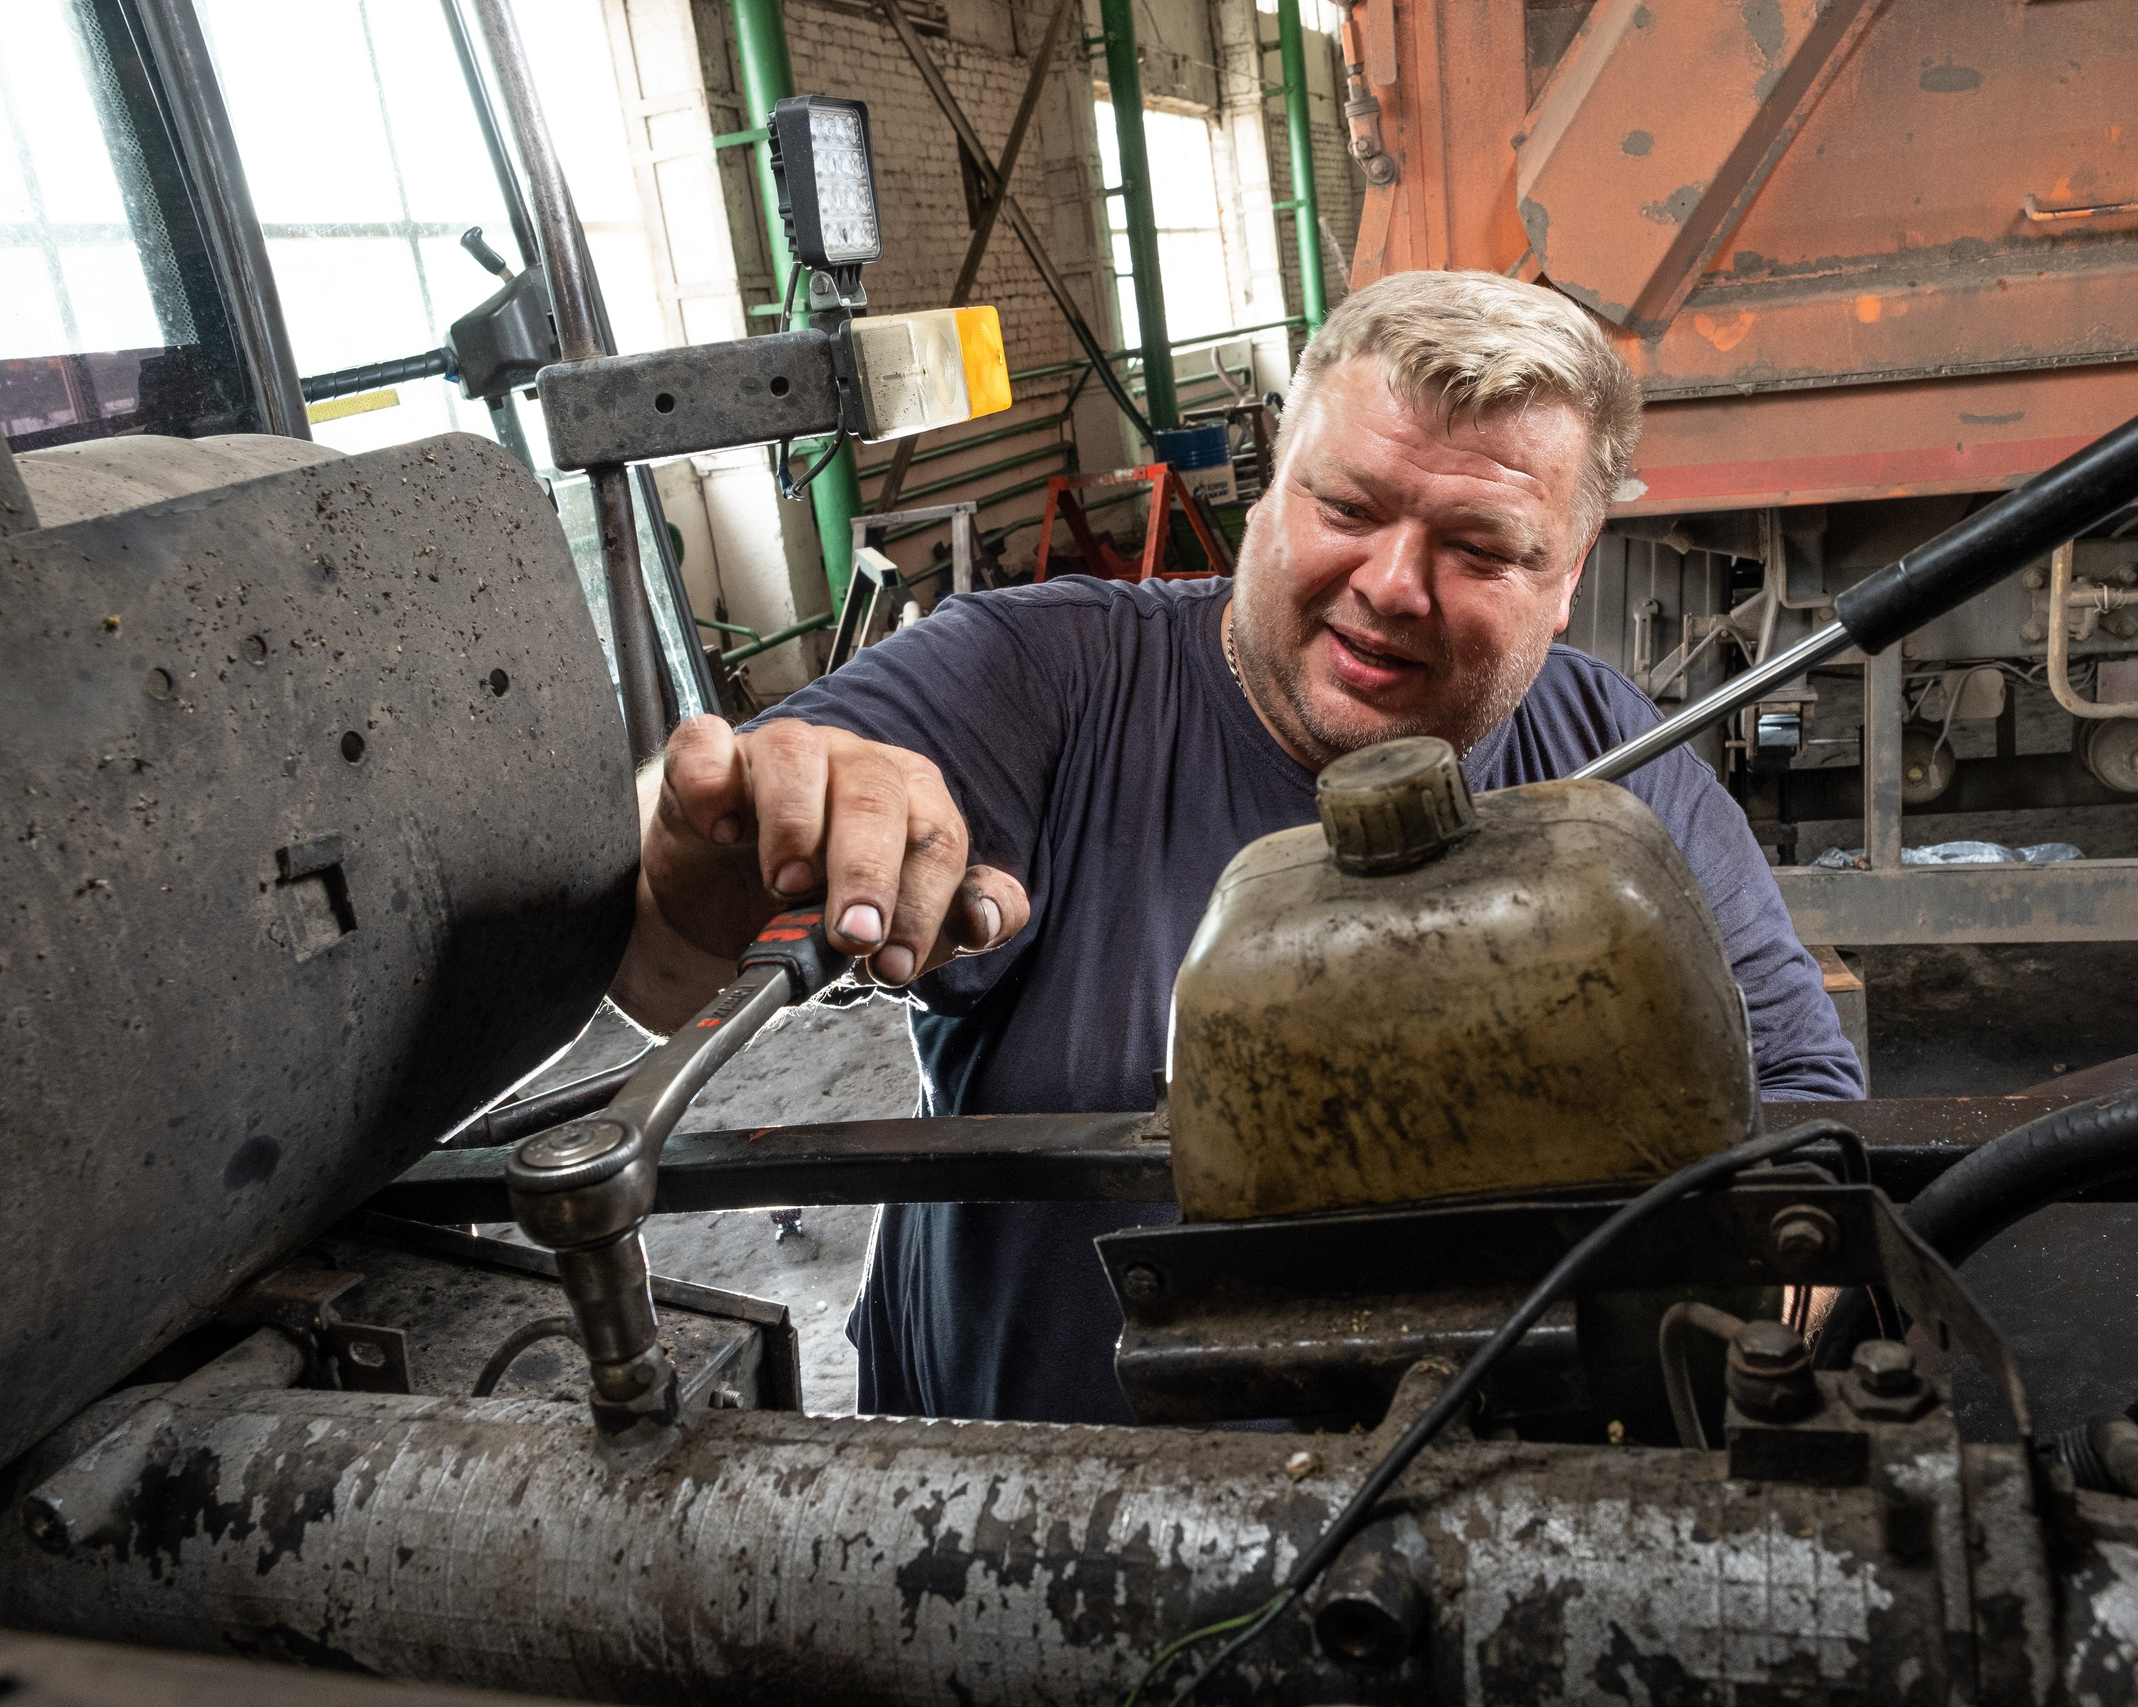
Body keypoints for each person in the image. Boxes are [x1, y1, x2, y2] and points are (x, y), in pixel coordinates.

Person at [611, 269, 1864, 1424]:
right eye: (1347, 507)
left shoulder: (1609, 748)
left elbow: (1804, 1108)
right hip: (1008, 1517)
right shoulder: (1037, 674)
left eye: (1479, 549)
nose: (1392, 584)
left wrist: (1711, 1339)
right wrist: (719, 822)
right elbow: (660, 969)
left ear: (1568, 568)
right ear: (1271, 485)